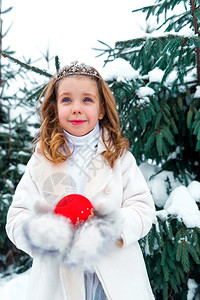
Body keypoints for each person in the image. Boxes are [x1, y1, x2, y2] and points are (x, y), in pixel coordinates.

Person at [6, 61, 155, 300]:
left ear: (102, 108)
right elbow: (16, 218)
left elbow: (143, 209)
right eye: (66, 100)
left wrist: (110, 227)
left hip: (115, 278)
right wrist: (45, 232)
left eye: (87, 100)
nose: (76, 108)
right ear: (54, 107)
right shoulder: (41, 160)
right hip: (58, 281)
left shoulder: (118, 157)